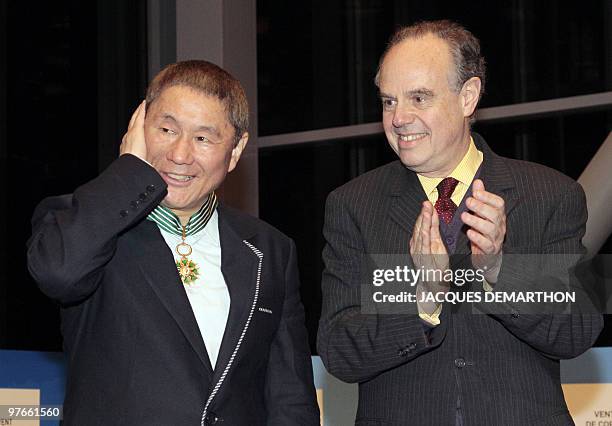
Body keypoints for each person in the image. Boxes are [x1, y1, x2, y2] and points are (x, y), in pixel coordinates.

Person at [317, 20, 603, 425]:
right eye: (388, 101)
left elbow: (579, 329)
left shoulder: (550, 194)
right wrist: (423, 301)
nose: (399, 118)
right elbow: (338, 350)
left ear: (468, 97)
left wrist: (500, 272)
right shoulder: (353, 205)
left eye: (419, 97)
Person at [27, 60, 319, 426]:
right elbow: (59, 273)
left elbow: (290, 398)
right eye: (166, 129)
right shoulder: (87, 221)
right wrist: (130, 170)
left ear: (235, 150)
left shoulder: (270, 249)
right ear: (138, 127)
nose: (180, 155)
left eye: (203, 138)